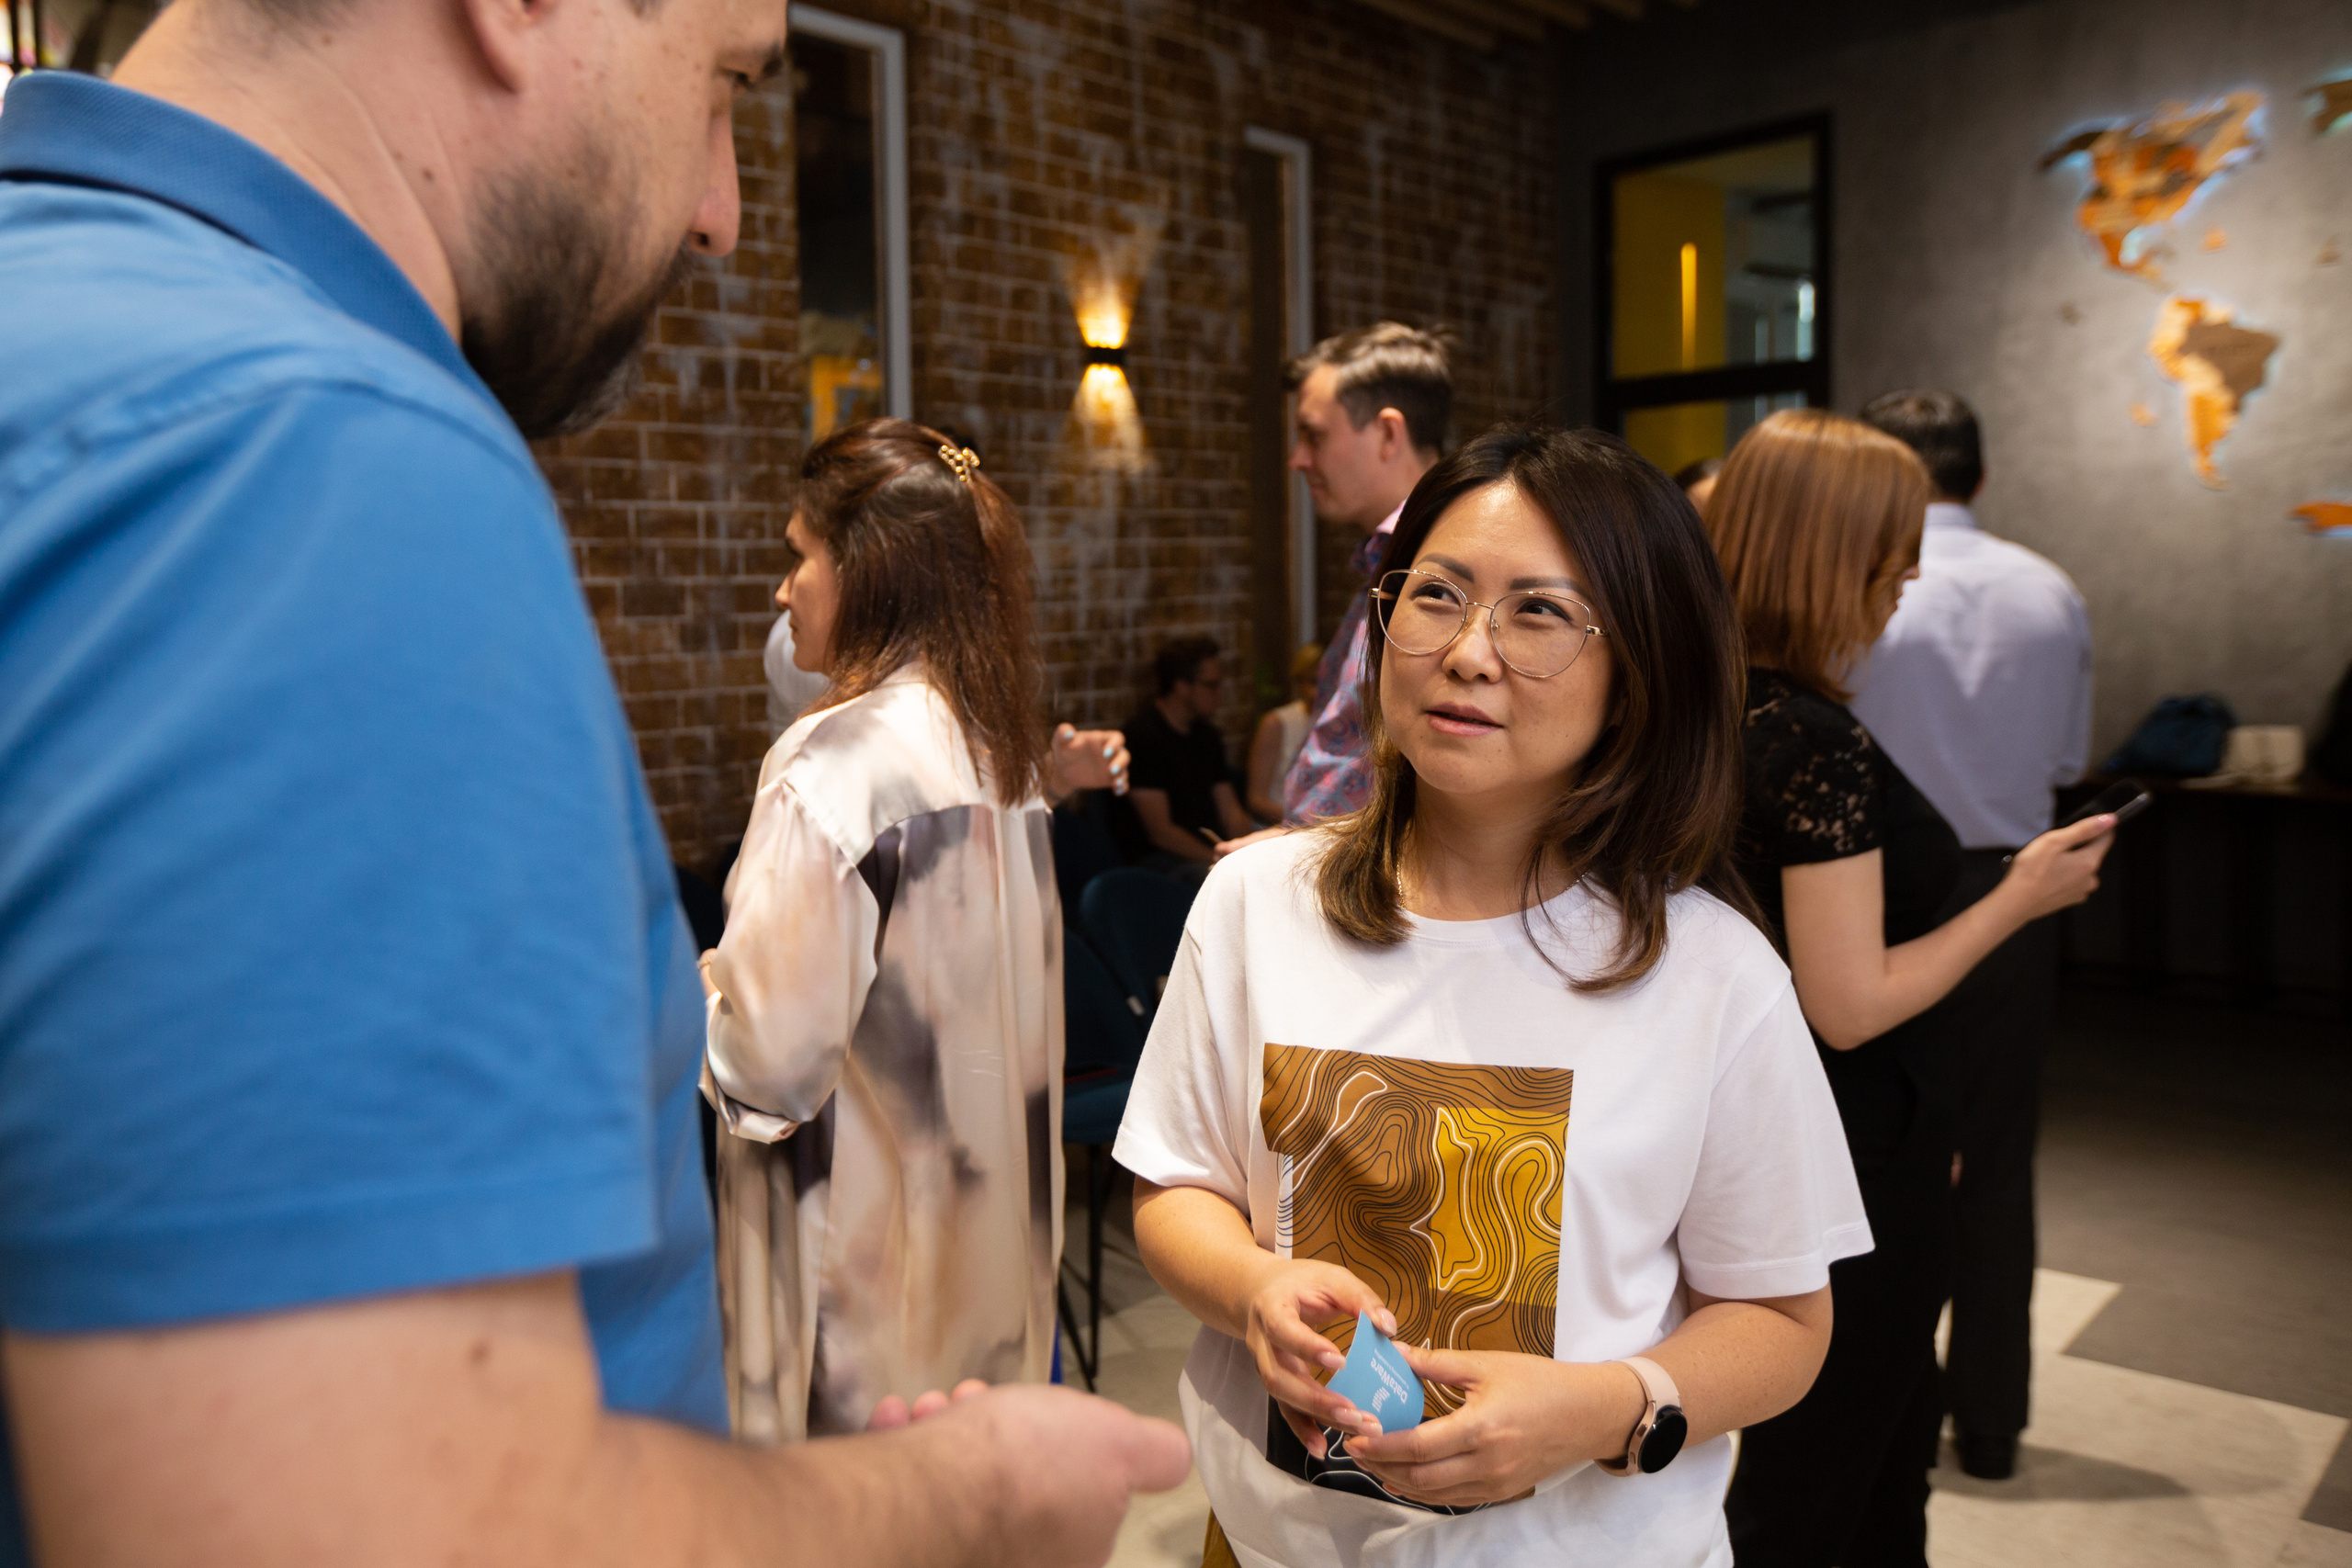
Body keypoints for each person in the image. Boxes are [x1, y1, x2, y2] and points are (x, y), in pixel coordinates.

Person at [0, 5, 1185, 1566]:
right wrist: (972, 1500)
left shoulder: (78, 326)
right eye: (726, 84)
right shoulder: (319, 462)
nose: (723, 210)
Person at [1117, 425, 1873, 1568]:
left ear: (1640, 671)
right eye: (1436, 595)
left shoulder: (1715, 975)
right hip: (1275, 1543)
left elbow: (1781, 1323)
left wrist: (1604, 1408)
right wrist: (1253, 1289)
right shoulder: (1256, 903)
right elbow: (1179, 1186)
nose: (1468, 652)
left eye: (1539, 613)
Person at [1705, 410, 2111, 1567]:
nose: (1910, 576)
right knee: (1838, 1470)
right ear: (1830, 557)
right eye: (1893, 550)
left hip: (1783, 1124)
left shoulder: (1706, 711)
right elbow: (1850, 1002)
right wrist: (2020, 896)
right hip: (1854, 1145)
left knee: (1854, 1457)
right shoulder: (1812, 739)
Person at [705, 421, 1069, 1438]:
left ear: (866, 568)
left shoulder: (834, 762)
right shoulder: (1000, 755)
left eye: (799, 556)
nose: (785, 589)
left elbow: (770, 1068)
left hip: (858, 1276)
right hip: (986, 1256)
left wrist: (688, 998)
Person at [1849, 389, 2093, 1483]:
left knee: (1868, 1150)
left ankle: (1871, 1396)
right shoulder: (2050, 589)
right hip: (2015, 890)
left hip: (1871, 889)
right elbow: (2065, 760)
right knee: (1995, 1159)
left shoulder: (1863, 589)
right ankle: (1989, 1424)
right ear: (1980, 477)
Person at [1272, 322, 1453, 830]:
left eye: (1313, 435)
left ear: (1388, 434)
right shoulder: (1387, 556)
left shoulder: (1445, 560)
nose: (1298, 459)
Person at [1120, 637, 1258, 877]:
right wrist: (1219, 860)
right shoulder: (1142, 737)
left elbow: (1230, 811)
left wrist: (1249, 851)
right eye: (1211, 685)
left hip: (1210, 852)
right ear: (1181, 686)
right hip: (1160, 862)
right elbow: (1161, 832)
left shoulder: (1207, 735)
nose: (1219, 693)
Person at [1245, 643, 1324, 823]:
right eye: (1313, 682)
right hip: (1280, 828)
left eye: (1328, 682)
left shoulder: (1349, 723)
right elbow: (1256, 800)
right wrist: (1306, 820)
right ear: (1299, 683)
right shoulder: (1276, 723)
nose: (1320, 691)